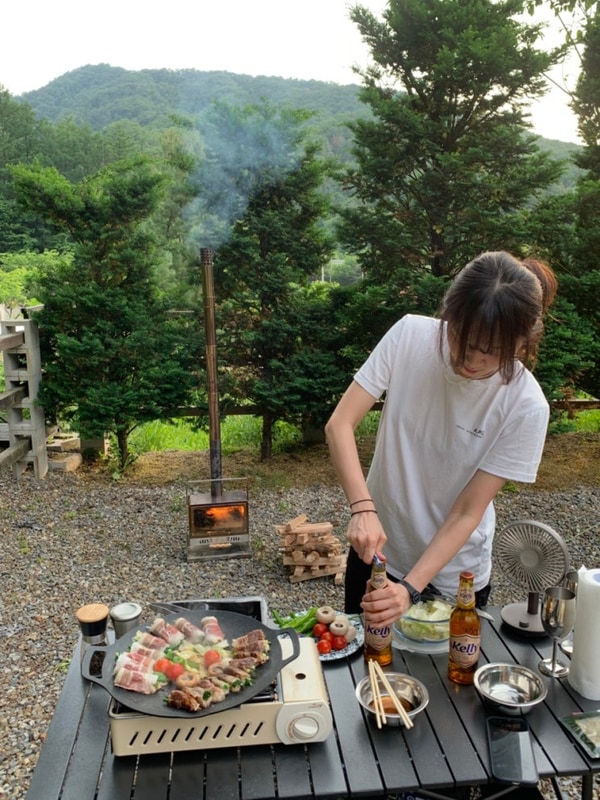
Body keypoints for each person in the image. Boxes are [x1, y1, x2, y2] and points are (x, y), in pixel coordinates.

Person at [325, 251, 558, 629]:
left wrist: (410, 589)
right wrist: (363, 508)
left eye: (492, 351)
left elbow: (469, 509)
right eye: (462, 338)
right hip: (379, 551)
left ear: (521, 344)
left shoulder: (525, 404)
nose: (471, 358)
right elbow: (340, 424)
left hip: (454, 577)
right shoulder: (409, 336)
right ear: (448, 313)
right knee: (364, 670)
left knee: (446, 682)